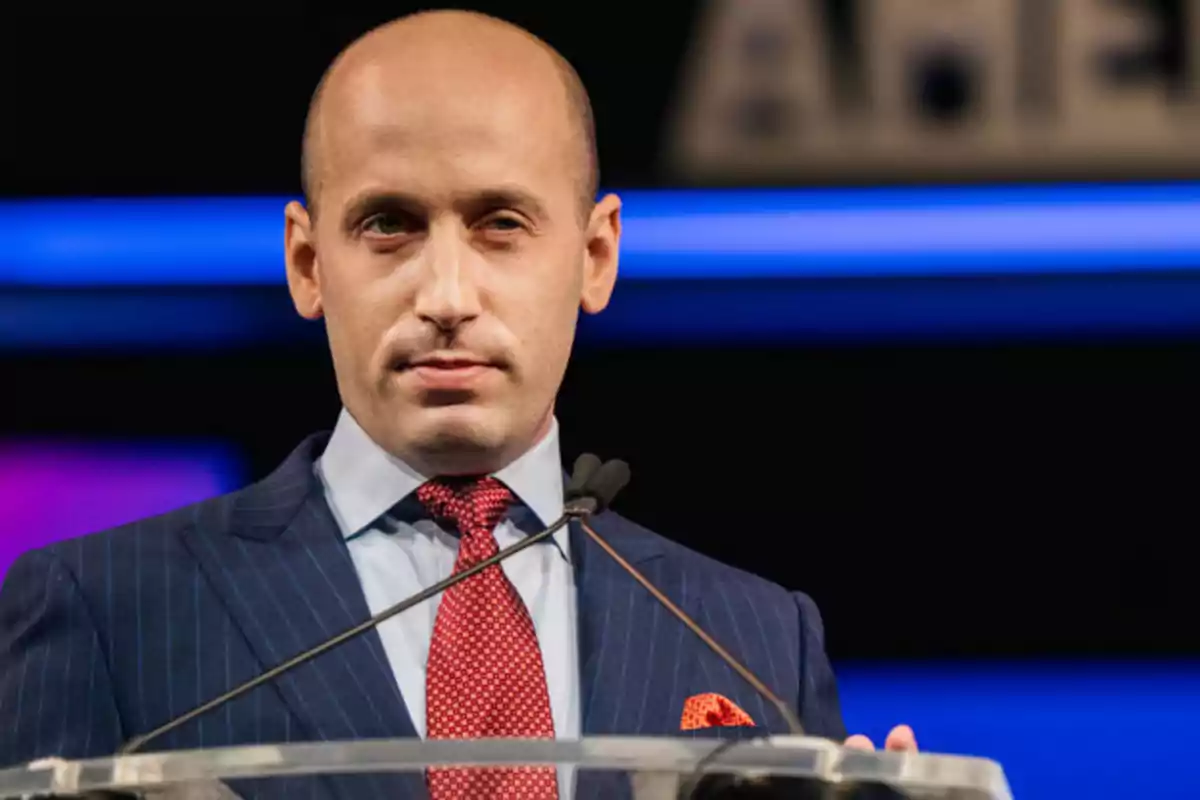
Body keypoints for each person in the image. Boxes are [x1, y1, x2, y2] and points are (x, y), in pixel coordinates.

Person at [0, 9, 915, 799]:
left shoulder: (754, 637)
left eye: (500, 225)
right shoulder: (104, 610)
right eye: (388, 224)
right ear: (309, 264)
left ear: (595, 256)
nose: (446, 293)